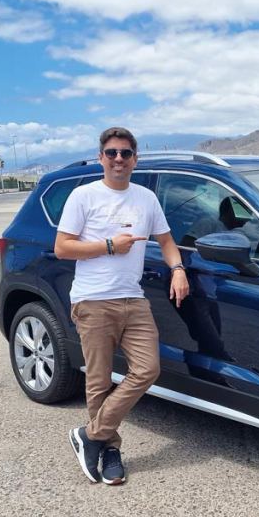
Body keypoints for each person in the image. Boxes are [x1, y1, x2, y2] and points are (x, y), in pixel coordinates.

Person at [54, 127, 189, 485]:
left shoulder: (146, 198)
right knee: (98, 381)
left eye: (125, 153)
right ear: (101, 157)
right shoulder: (83, 196)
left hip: (133, 298)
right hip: (93, 300)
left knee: (147, 369)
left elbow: (167, 241)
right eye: (112, 153)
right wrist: (109, 246)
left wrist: (178, 269)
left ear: (134, 159)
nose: (118, 159)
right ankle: (110, 449)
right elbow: (63, 247)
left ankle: (90, 435)